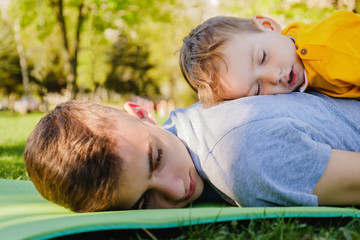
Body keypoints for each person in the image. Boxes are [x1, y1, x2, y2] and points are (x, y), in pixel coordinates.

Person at [24, 91, 360, 212]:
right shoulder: (197, 117)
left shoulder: (241, 161)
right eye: (144, 201)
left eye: (156, 158)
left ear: (141, 113)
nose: (174, 190)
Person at [179, 10, 360, 107]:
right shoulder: (297, 59)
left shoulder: (330, 50)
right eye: (257, 89)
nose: (273, 76)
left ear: (268, 25)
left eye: (263, 57)